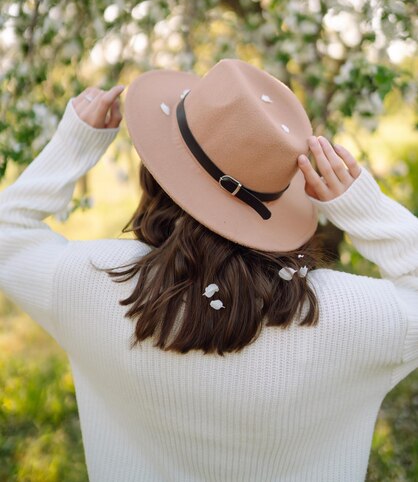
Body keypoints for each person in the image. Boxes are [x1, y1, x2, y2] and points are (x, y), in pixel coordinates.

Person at [0, 58, 417, 482]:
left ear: (156, 173)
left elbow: (7, 234)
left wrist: (74, 144)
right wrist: (365, 208)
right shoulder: (354, 316)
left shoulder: (88, 281)